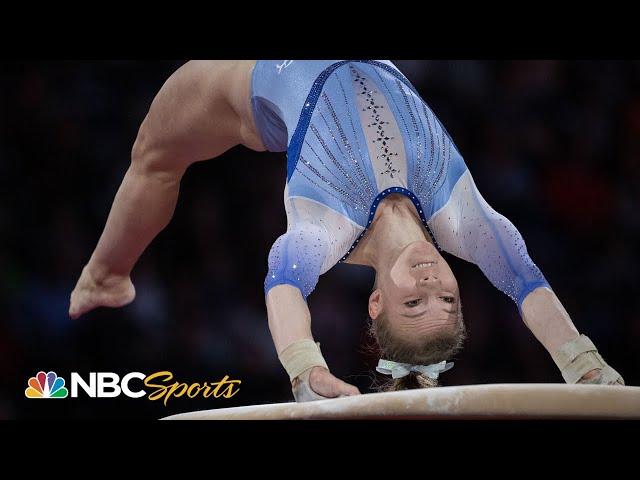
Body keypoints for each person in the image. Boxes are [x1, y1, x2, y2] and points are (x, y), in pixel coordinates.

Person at [69, 60, 624, 403]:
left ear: (377, 302)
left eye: (415, 303)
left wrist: (305, 371)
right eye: (447, 298)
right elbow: (527, 284)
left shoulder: (325, 229)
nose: (431, 280)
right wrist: (583, 364)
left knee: (154, 156)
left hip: (252, 83)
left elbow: (283, 286)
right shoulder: (465, 221)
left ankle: (104, 275)